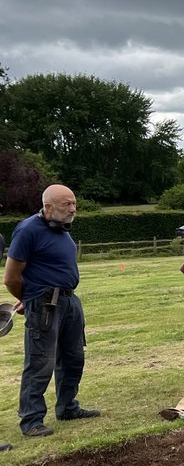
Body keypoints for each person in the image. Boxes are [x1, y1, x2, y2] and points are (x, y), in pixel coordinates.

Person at [4, 185, 101, 437]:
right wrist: (29, 298)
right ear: (48, 207)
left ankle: (68, 407)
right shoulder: (28, 230)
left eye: (74, 203)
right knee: (40, 363)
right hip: (45, 305)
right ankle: (31, 420)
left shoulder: (62, 229)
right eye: (66, 204)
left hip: (69, 302)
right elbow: (11, 277)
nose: (73, 209)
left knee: (73, 358)